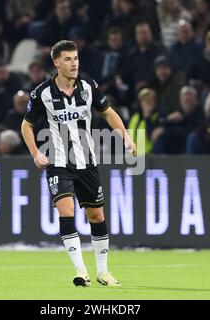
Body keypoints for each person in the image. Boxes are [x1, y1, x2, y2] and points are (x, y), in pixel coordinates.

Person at [21, 40, 136, 287]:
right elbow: (26, 124)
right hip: (58, 161)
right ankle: (81, 271)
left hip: (87, 162)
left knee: (96, 215)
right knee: (66, 210)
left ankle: (103, 272)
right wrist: (35, 153)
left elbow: (108, 112)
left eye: (76, 58)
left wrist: (125, 135)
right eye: (68, 59)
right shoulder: (42, 93)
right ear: (56, 63)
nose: (74, 63)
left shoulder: (88, 86)